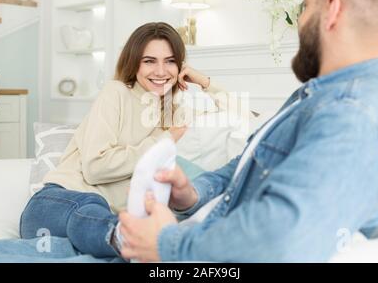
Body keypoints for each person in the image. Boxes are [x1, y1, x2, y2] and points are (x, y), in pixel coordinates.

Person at [119, 0, 378, 262]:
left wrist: (168, 244)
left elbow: (280, 237)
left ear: (332, 9)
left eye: (306, 5)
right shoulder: (319, 98)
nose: (301, 20)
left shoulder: (352, 115)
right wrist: (193, 193)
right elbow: (250, 164)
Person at [19, 22, 225, 258]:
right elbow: (95, 167)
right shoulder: (116, 92)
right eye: (149, 61)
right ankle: (128, 237)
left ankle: (125, 238)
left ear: (180, 66)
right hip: (56, 204)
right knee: (93, 211)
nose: (160, 71)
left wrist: (205, 82)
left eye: (170, 61)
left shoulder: (175, 114)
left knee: (100, 239)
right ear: (134, 62)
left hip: (104, 228)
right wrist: (164, 140)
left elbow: (240, 117)